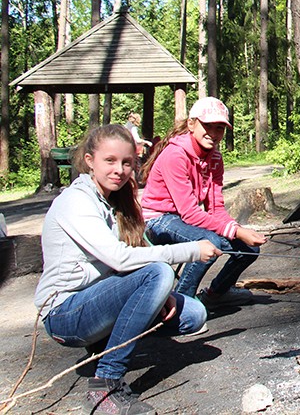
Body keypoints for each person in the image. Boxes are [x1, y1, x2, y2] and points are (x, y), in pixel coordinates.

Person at [34, 124, 221, 415]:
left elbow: (137, 254)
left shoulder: (115, 201)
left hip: (100, 299)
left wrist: (161, 295)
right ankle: (104, 385)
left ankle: (103, 346)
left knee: (193, 314)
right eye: (110, 161)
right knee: (158, 272)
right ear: (89, 160)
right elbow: (120, 260)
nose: (119, 170)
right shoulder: (76, 201)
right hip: (64, 314)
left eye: (126, 162)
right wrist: (192, 249)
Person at [141, 97, 266, 309]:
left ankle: (216, 294)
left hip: (181, 219)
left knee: (248, 249)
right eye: (207, 126)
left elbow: (216, 209)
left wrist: (237, 229)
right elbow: (190, 212)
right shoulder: (175, 155)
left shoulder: (215, 158)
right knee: (209, 243)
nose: (214, 134)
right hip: (158, 220)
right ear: (192, 124)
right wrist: (235, 232)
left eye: (220, 128)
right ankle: (181, 304)